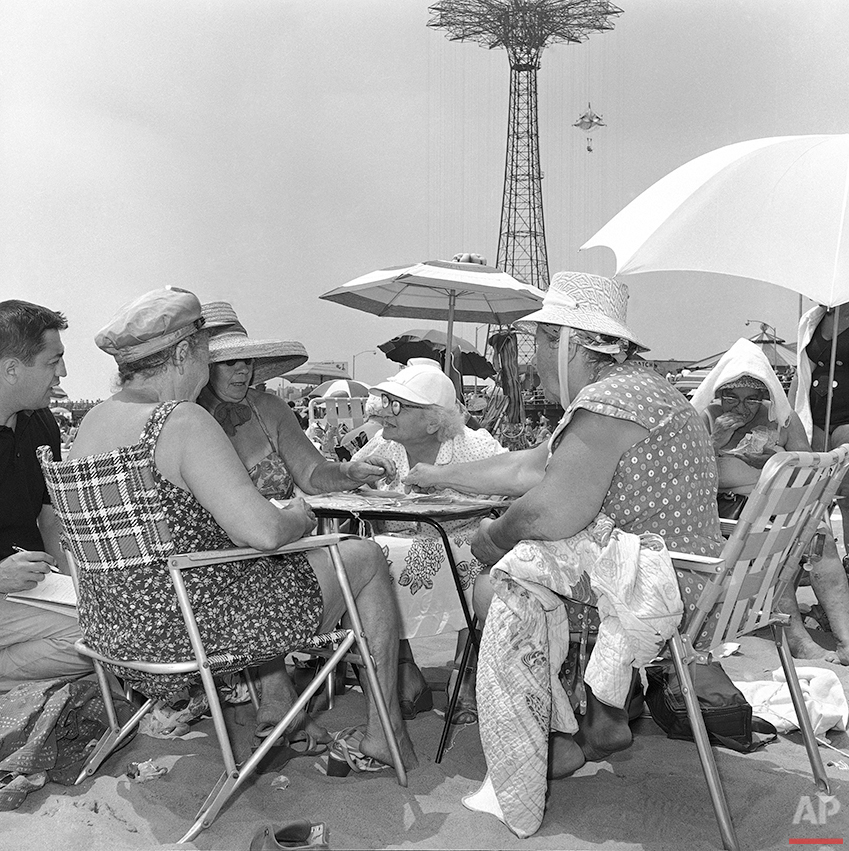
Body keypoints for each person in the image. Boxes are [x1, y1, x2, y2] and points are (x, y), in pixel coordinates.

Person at [404, 272, 722, 836]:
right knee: (524, 575)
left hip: (661, 596)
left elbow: (549, 510)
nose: (537, 357)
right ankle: (593, 717)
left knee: (492, 586)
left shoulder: (608, 402)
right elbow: (531, 465)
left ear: (570, 342)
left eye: (544, 342)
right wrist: (439, 473)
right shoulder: (648, 393)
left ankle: (562, 736)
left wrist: (492, 539)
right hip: (696, 579)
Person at [62, 288, 416, 773]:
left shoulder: (92, 423)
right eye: (209, 358)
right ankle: (385, 732)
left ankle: (285, 705)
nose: (211, 370)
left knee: (260, 568)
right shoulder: (180, 420)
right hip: (196, 628)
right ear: (186, 353)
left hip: (119, 632)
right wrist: (299, 514)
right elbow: (267, 532)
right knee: (366, 557)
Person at [351, 358, 507, 723]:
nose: (384, 413)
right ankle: (405, 672)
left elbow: (512, 482)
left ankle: (465, 674)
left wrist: (454, 482)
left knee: (477, 558)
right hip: (399, 544)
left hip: (460, 542)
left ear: (433, 420)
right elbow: (348, 478)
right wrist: (365, 485)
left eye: (396, 406)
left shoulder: (475, 446)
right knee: (372, 556)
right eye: (386, 402)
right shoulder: (383, 444)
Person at [692, 337, 849, 665]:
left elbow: (808, 461)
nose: (741, 407)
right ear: (719, 392)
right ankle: (799, 641)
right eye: (731, 397)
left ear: (765, 394)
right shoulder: (702, 417)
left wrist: (773, 458)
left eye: (752, 398)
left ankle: (846, 638)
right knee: (771, 543)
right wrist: (713, 442)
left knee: (821, 541)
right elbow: (683, 475)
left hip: (779, 503)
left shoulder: (779, 415)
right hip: (727, 510)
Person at [0, 300, 91, 693]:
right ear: (12, 369)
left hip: (32, 589)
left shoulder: (42, 423)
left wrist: (79, 587)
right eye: (53, 361)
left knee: (110, 621)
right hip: (9, 586)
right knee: (96, 638)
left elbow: (49, 516)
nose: (63, 373)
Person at [792, 301, 849, 554]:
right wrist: (789, 416)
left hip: (846, 418)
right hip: (815, 418)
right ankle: (814, 558)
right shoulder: (812, 319)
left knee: (847, 494)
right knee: (813, 495)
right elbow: (802, 370)